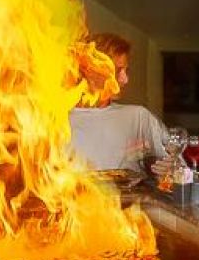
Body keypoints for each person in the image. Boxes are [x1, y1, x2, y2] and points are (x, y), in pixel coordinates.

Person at [68, 32, 169, 173]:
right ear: (90, 70)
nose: (125, 80)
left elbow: (177, 167)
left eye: (126, 71)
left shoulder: (138, 117)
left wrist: (168, 170)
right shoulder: (55, 122)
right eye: (117, 71)